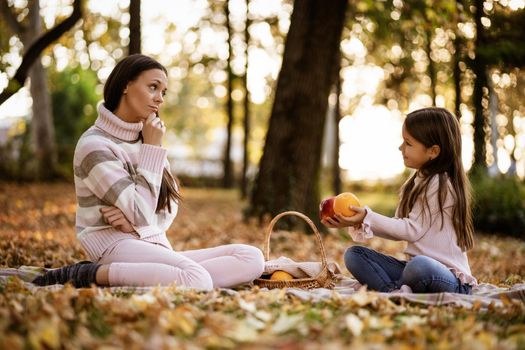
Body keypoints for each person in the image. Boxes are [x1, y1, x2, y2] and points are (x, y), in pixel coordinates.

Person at [33, 54, 264, 290]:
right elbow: (141, 212)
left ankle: (169, 276)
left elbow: (168, 206)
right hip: (114, 247)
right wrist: (152, 150)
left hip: (150, 242)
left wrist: (133, 224)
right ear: (125, 85)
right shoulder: (95, 145)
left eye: (163, 92)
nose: (160, 99)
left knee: (251, 257)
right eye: (153, 87)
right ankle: (88, 273)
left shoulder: (147, 138)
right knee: (197, 278)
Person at [322, 107, 476, 294]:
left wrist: (367, 217)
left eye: (408, 143)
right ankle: (393, 290)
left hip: (448, 279)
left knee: (418, 266)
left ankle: (392, 285)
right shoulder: (416, 181)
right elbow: (398, 228)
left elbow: (411, 230)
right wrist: (360, 220)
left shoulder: (440, 183)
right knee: (354, 255)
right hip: (416, 272)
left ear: (433, 151)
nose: (401, 148)